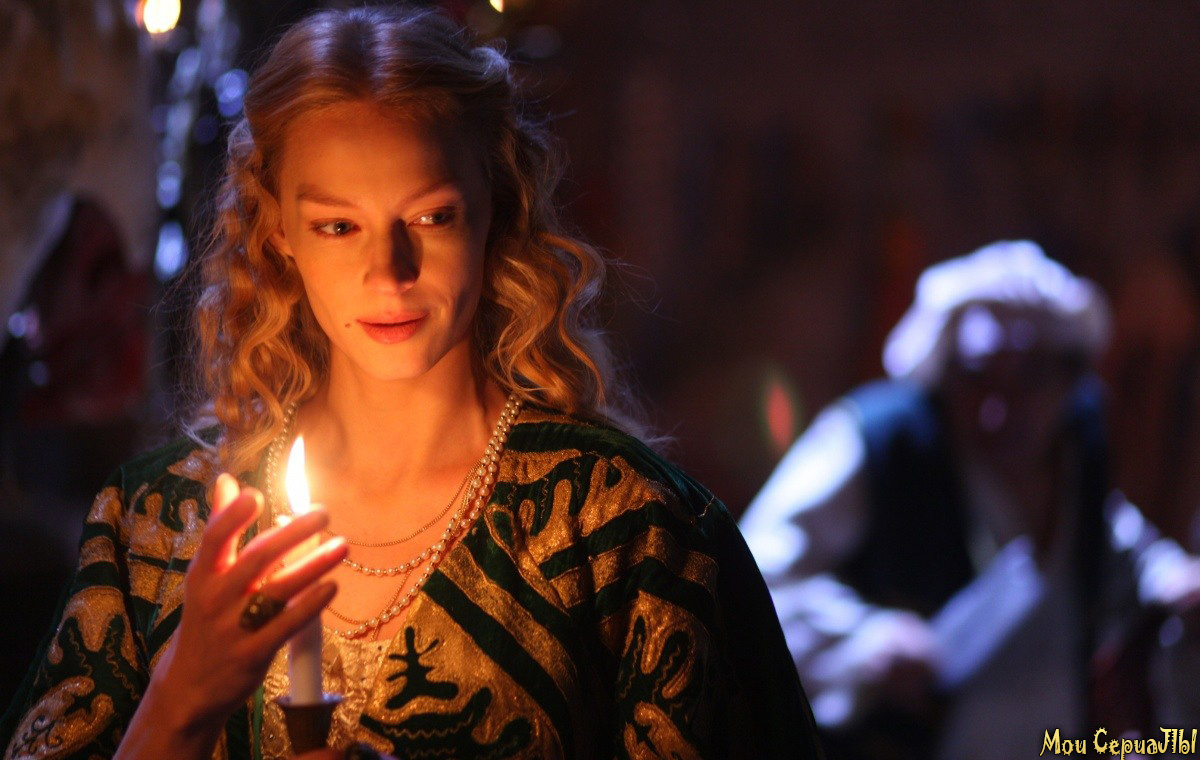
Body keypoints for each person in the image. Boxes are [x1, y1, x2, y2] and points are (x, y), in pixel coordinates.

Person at [0, 7, 822, 760]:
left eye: (431, 217)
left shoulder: (626, 534)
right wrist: (180, 702)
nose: (388, 272)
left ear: (494, 207)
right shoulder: (155, 532)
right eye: (337, 225)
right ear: (279, 231)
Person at [739, 240, 1200, 760]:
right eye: (978, 380)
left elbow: (1110, 539)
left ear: (1067, 379)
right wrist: (864, 641)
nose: (998, 412)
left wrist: (1169, 577)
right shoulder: (879, 441)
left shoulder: (1077, 451)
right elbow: (755, 572)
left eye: (1029, 381)